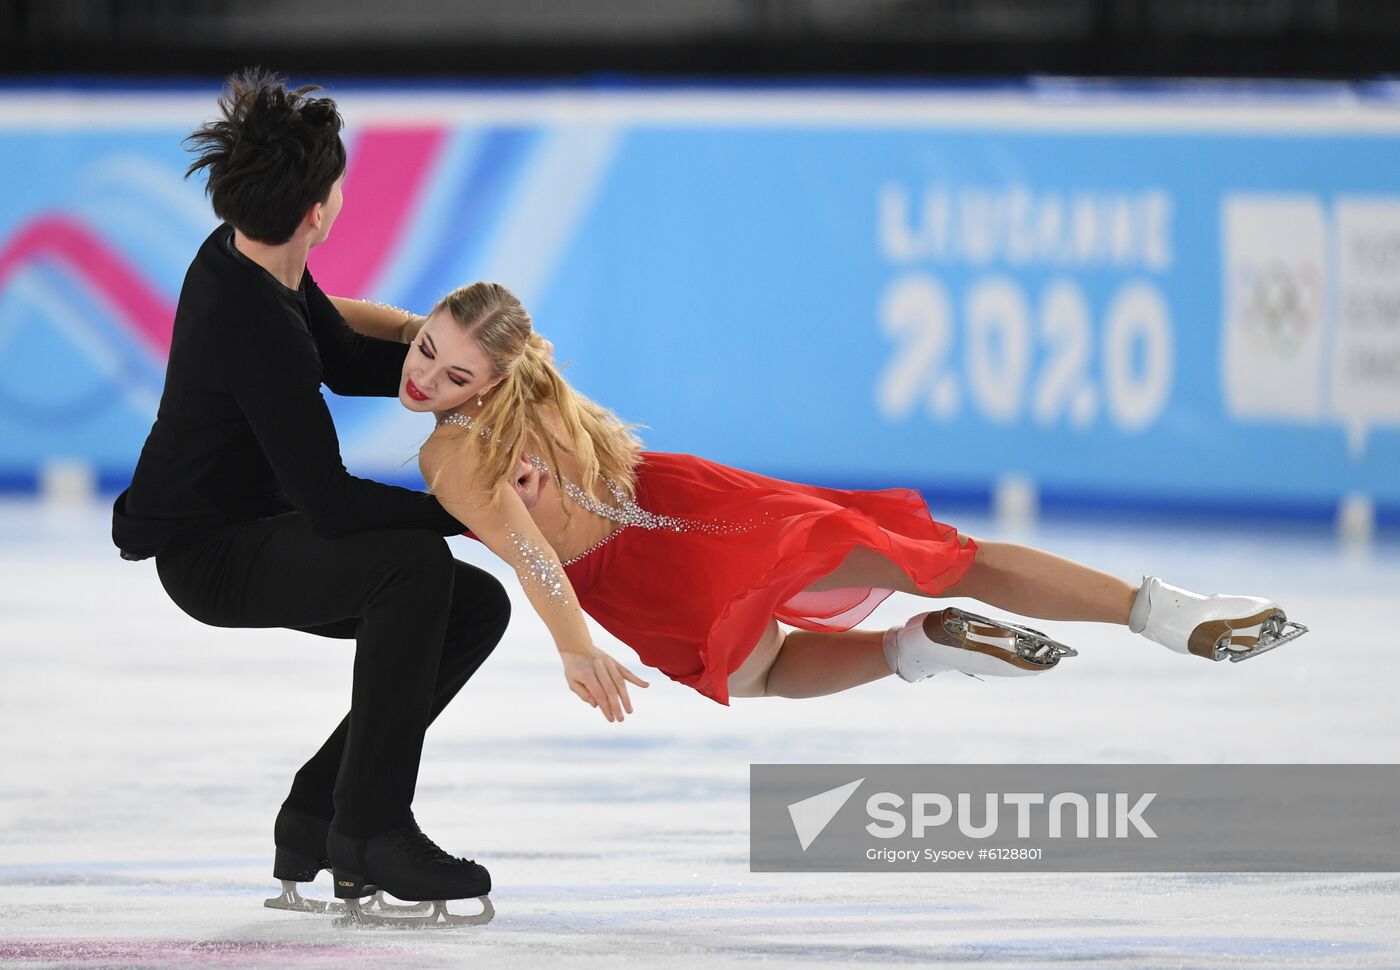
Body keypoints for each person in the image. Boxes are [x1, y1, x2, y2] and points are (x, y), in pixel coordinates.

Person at [397, 281, 1306, 721]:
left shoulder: (452, 453)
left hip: (633, 571)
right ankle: (1162, 612)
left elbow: (536, 558)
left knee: (765, 671)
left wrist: (574, 648)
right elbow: (385, 325)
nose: (424, 373)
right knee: (952, 554)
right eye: (425, 348)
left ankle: (917, 646)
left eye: (448, 365)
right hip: (687, 495)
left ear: (487, 377)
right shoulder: (539, 384)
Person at [110, 70, 507, 924]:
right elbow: (329, 505)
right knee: (414, 569)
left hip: (252, 524)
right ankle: (369, 830)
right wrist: (465, 514)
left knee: (473, 607)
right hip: (211, 556)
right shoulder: (249, 319)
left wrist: (460, 384)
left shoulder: (251, 259)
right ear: (320, 209)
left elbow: (340, 356)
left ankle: (319, 809)